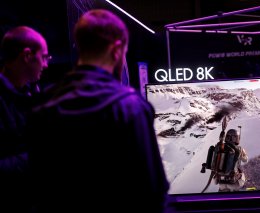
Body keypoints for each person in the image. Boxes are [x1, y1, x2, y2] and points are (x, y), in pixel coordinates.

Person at [29, 9, 169, 212]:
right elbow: (152, 192)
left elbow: (37, 188)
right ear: (117, 49)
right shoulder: (131, 107)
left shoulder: (42, 103)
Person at [0, 26, 50, 211]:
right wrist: (42, 157)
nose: (46, 65)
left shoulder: (32, 93)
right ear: (27, 56)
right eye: (44, 57)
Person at [216, 128, 248, 192]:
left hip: (221, 181)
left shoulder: (220, 147)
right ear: (234, 138)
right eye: (237, 137)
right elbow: (245, 160)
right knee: (243, 176)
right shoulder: (239, 149)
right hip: (233, 182)